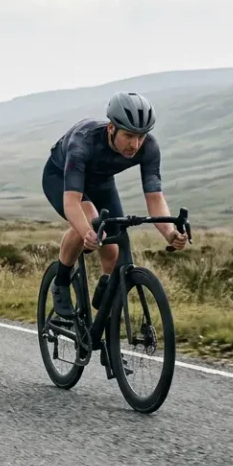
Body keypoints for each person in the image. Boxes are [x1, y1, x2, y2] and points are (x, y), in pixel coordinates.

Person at [42, 91, 189, 317]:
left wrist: (169, 233)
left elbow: (155, 198)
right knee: (91, 220)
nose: (135, 144)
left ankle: (105, 326)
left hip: (101, 183)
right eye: (129, 136)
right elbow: (72, 201)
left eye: (141, 136)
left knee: (113, 251)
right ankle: (61, 282)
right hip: (61, 177)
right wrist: (86, 233)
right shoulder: (83, 141)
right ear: (111, 128)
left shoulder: (148, 147)